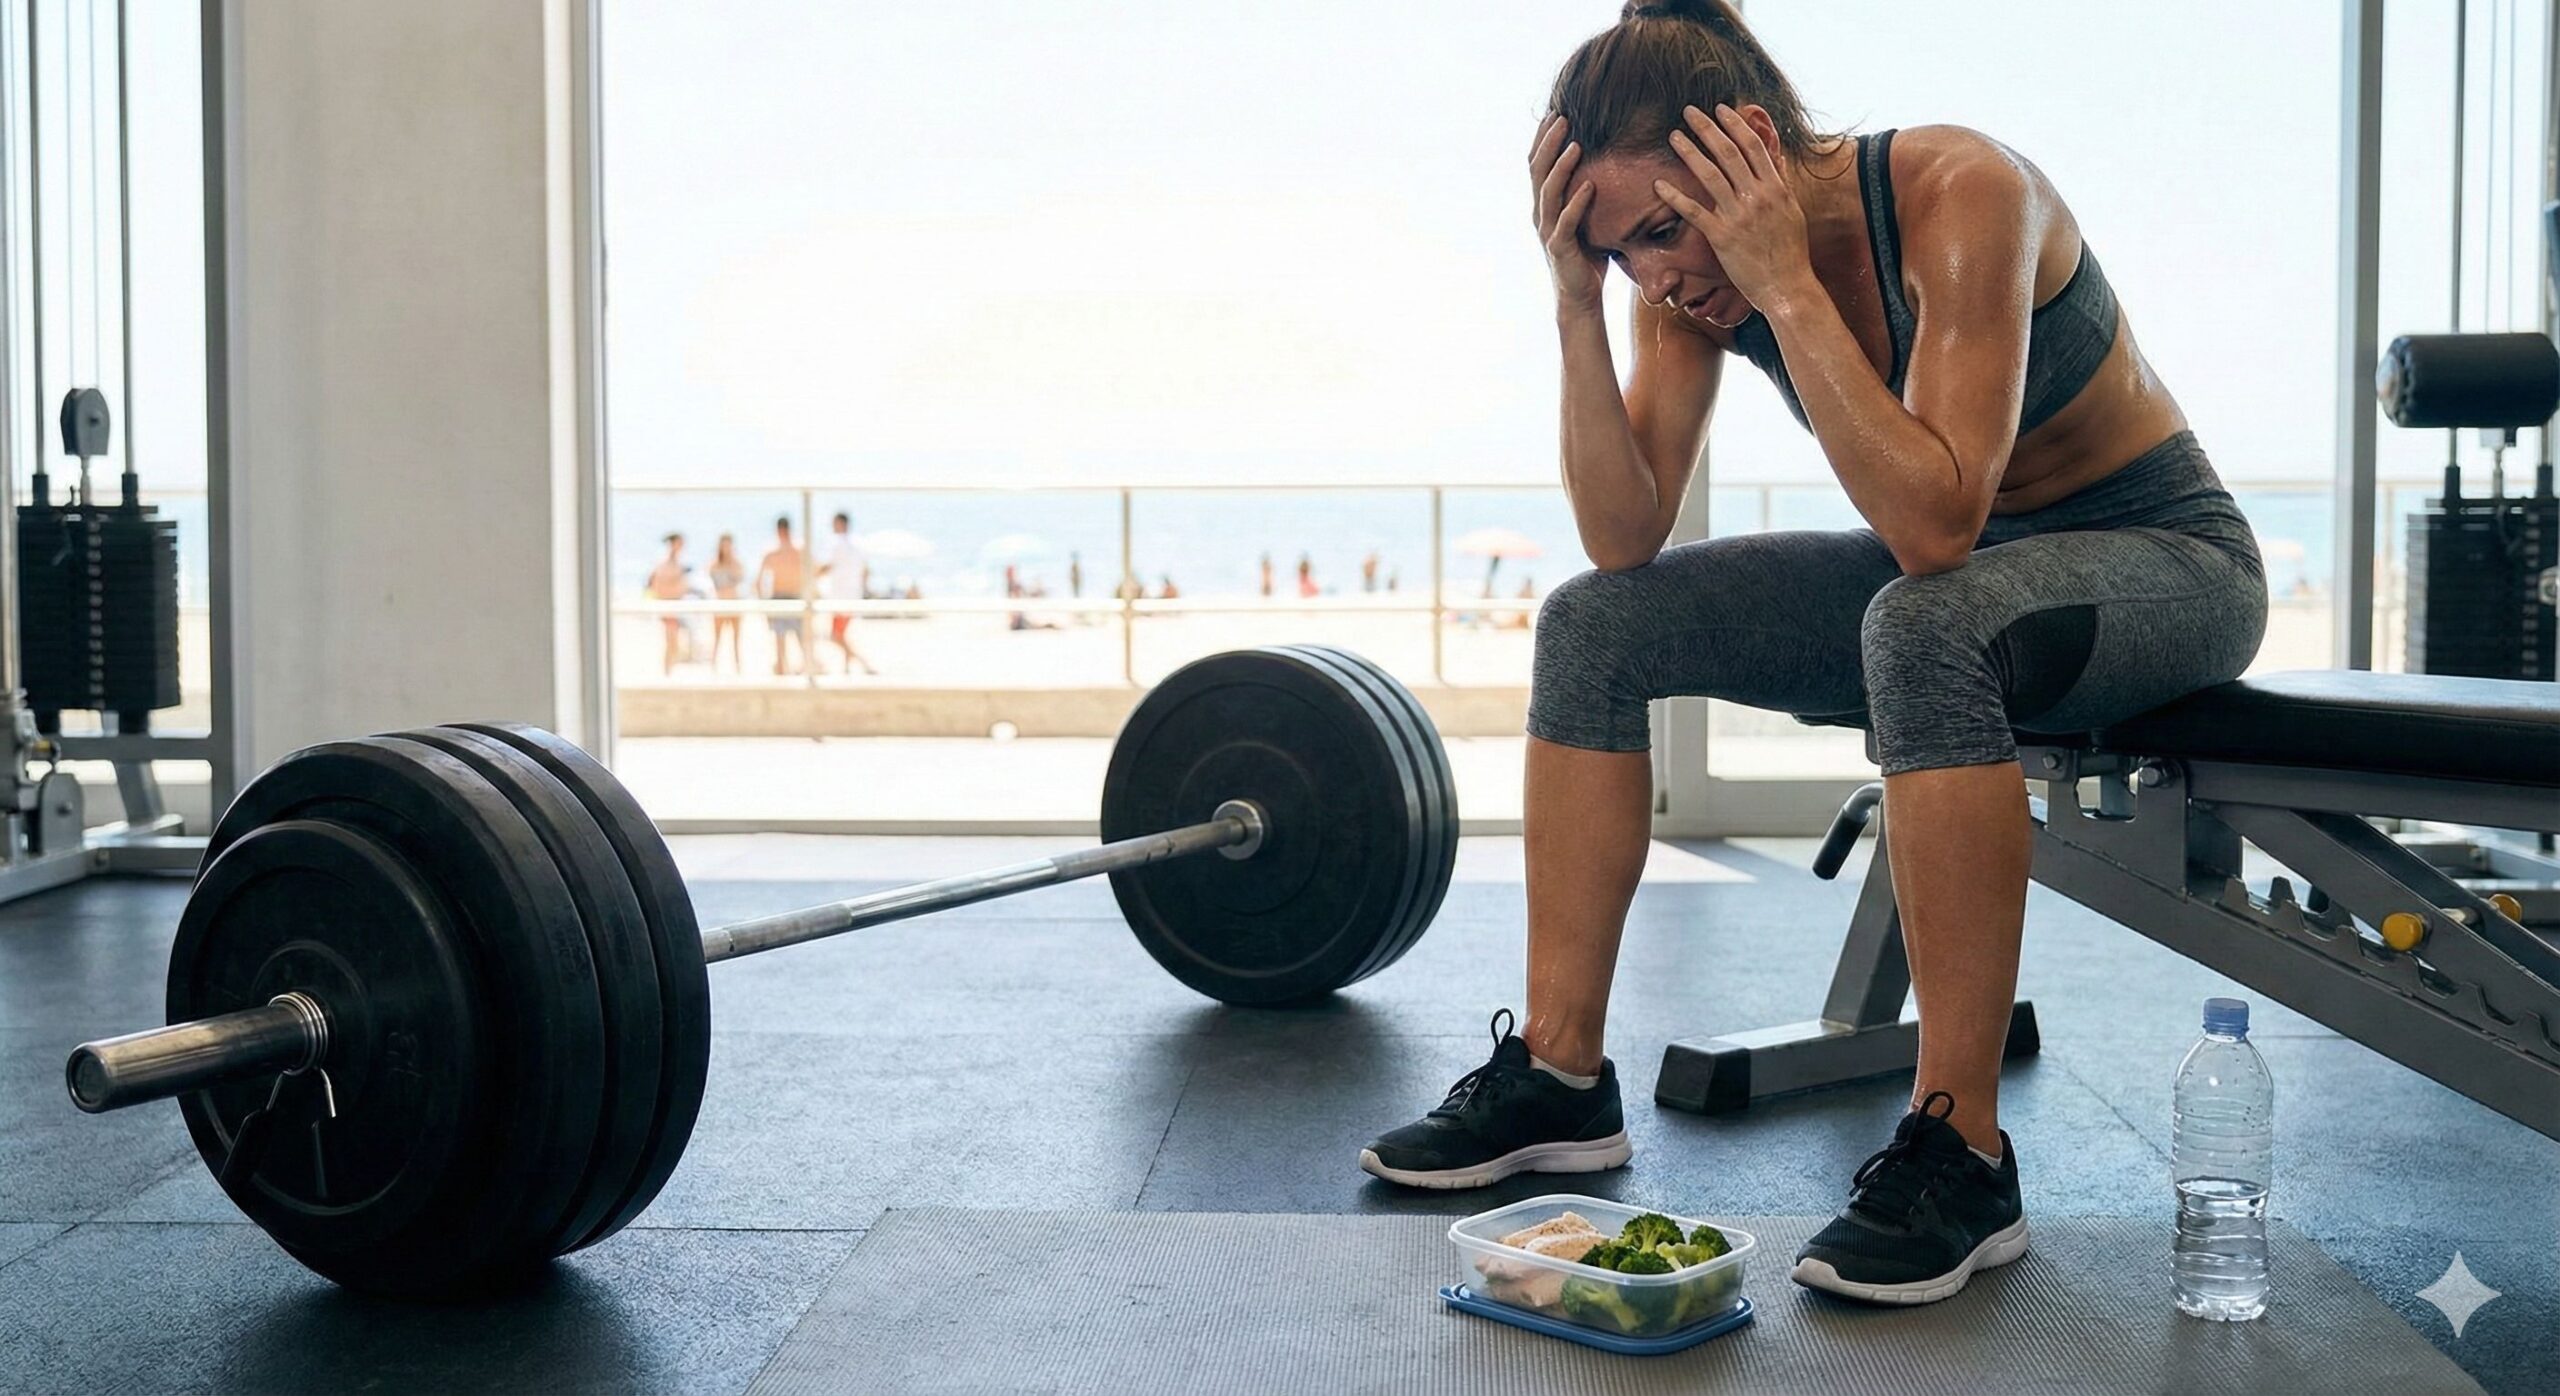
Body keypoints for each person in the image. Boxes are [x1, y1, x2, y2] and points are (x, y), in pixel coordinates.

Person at [1357, 0, 2265, 1312]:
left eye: (1660, 234)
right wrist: (1572, 303)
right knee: (1591, 624)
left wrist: (1782, 281)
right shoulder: (1681, 282)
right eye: (1618, 252)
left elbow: (1935, 527)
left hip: (2163, 560)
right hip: (1963, 577)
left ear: (1752, 148)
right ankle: (1558, 1078)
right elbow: (1622, 535)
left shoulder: (1962, 193)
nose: (1656, 278)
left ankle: (1962, 1153)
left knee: (1924, 619)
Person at [818, 511, 879, 677]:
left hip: (839, 596)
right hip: (853, 596)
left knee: (835, 635)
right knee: (842, 634)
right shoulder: (859, 544)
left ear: (840, 523)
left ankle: (864, 664)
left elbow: (826, 566)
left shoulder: (836, 543)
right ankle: (846, 668)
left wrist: (811, 576)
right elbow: (866, 571)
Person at [755, 515, 811, 677]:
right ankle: (806, 673)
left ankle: (783, 673)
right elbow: (813, 573)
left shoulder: (772, 553)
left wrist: (763, 604)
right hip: (795, 597)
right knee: (802, 641)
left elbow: (758, 582)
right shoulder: (800, 551)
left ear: (778, 530)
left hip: (779, 598)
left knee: (781, 643)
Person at [646, 532, 693, 677]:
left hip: (677, 606)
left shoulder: (677, 563)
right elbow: (654, 585)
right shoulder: (663, 564)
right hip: (668, 606)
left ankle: (670, 672)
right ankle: (667, 673)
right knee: (671, 642)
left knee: (675, 642)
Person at [707, 533, 745, 674]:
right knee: (717, 638)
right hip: (720, 604)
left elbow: (740, 581)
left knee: (736, 639)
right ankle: (713, 668)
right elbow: (710, 583)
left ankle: (737, 667)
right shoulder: (714, 564)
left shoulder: (736, 563)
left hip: (734, 603)